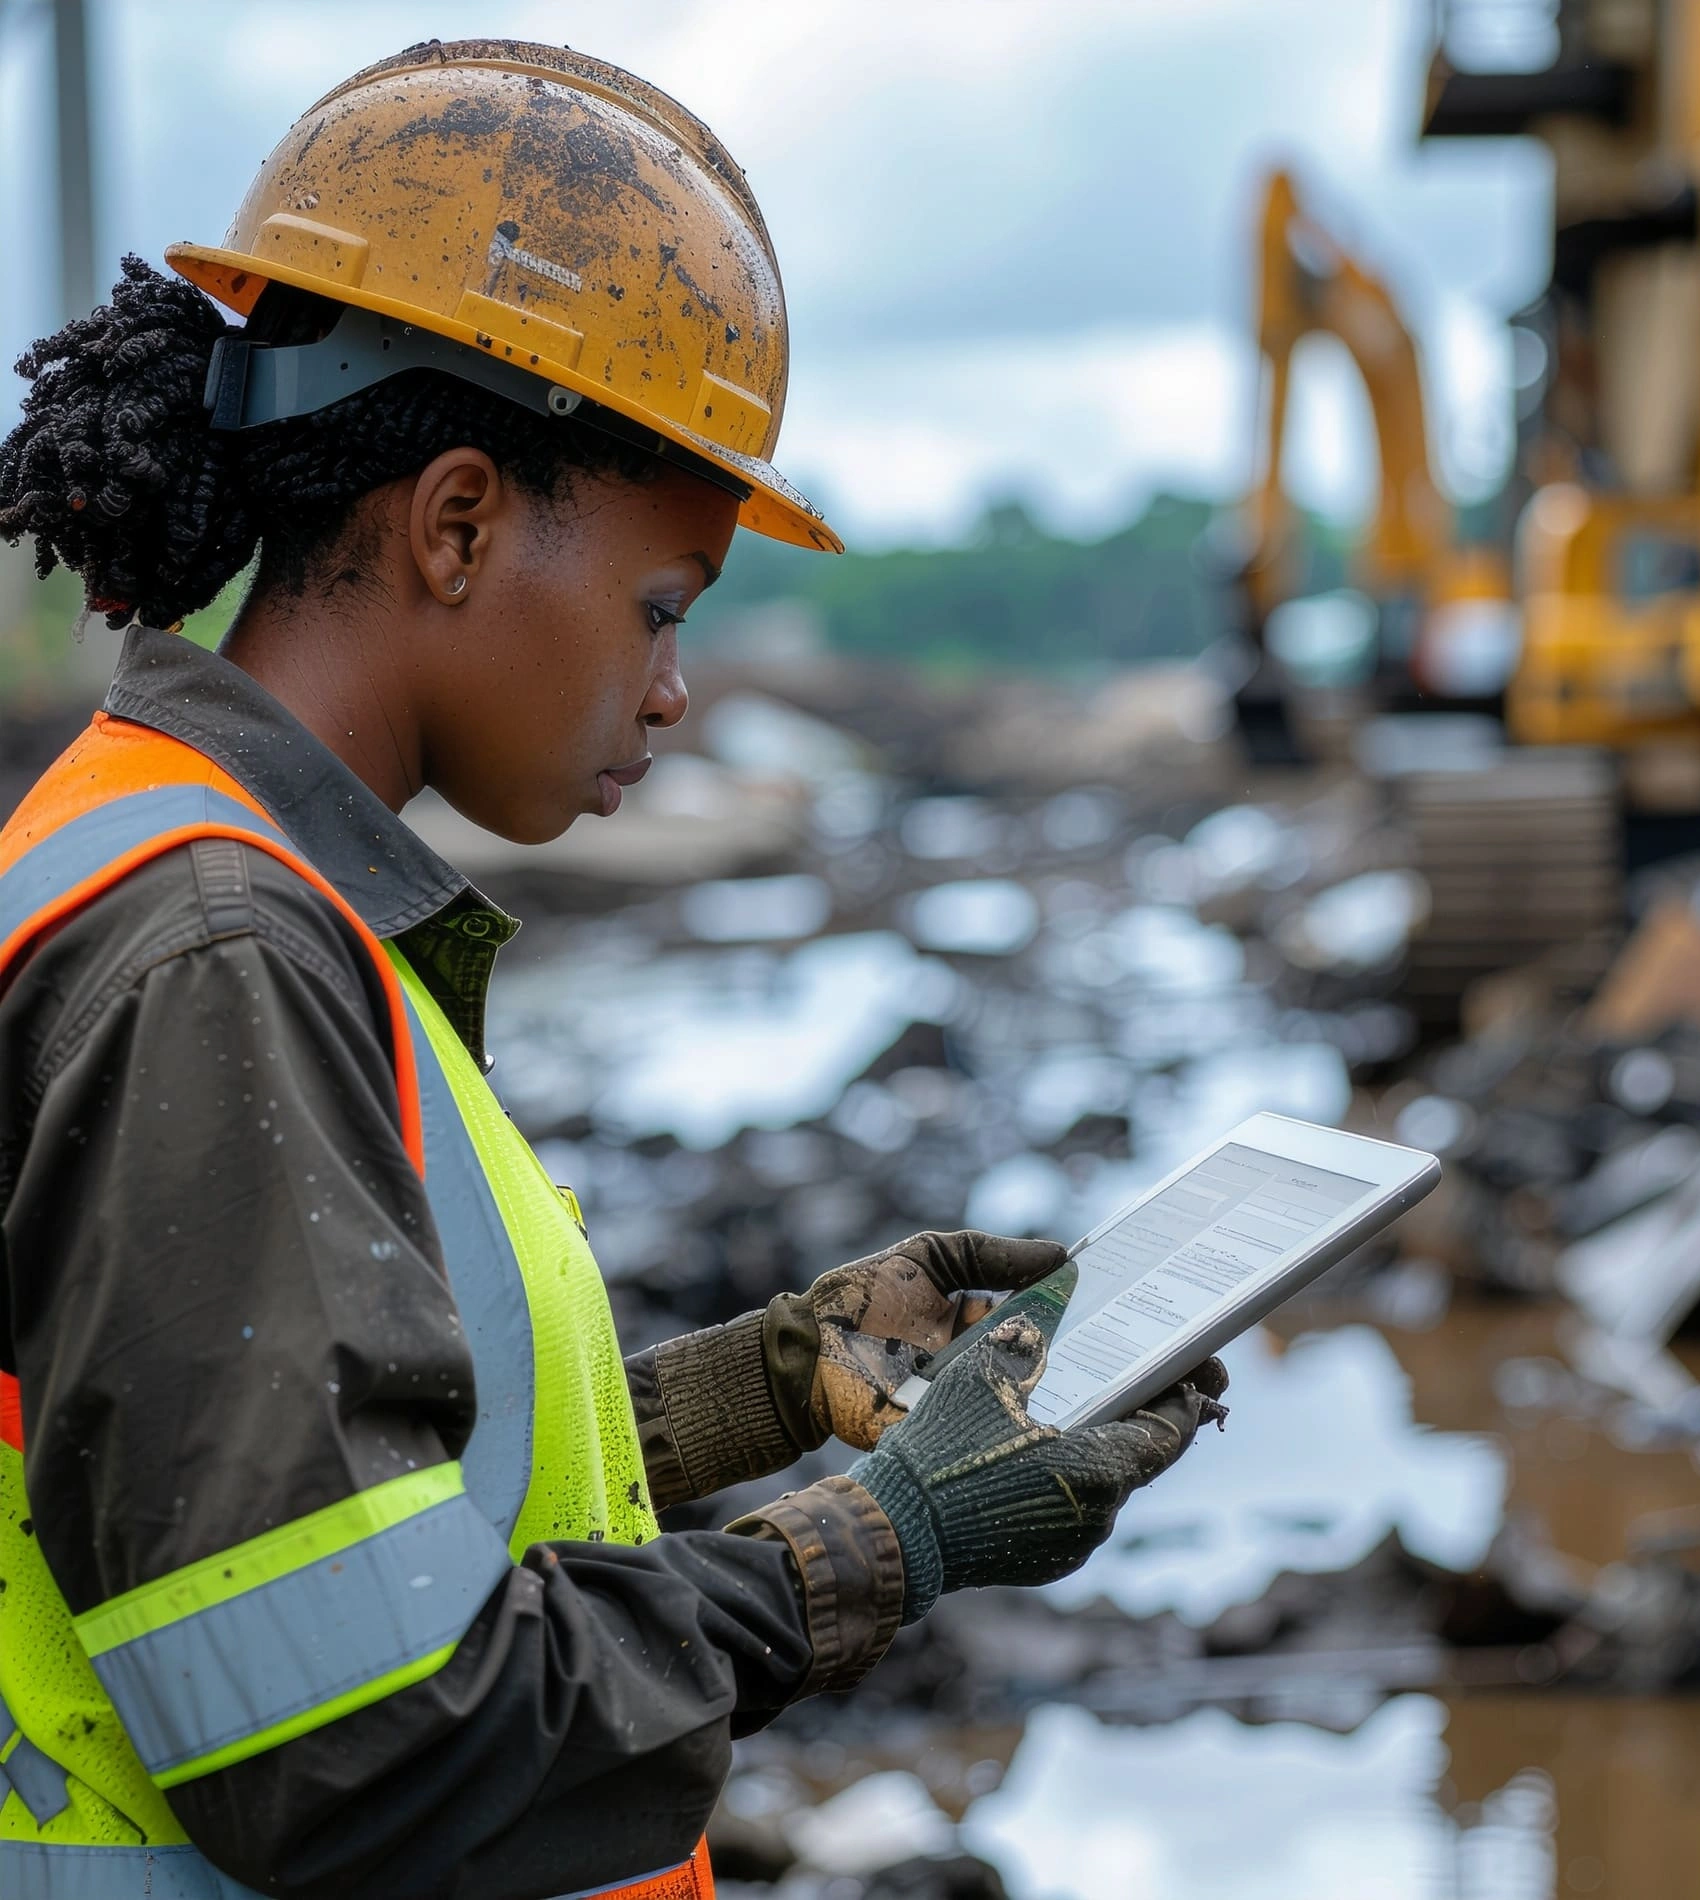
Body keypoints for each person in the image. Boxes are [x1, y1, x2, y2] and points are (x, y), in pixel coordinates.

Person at [0, 39, 1226, 1900]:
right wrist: (877, 1541)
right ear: (459, 521)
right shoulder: (216, 950)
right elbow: (354, 1730)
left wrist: (769, 1380)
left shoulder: (240, 896)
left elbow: (343, 1492)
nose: (672, 688)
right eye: (663, 608)